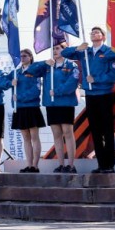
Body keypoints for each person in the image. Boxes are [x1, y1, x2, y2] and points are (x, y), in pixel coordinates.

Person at [62, 27, 115, 173]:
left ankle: (109, 165)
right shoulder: (85, 51)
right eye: (92, 32)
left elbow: (114, 74)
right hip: (90, 95)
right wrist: (77, 48)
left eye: (97, 32)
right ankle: (101, 164)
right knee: (95, 130)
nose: (94, 34)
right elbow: (65, 53)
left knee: (107, 130)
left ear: (103, 36)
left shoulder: (109, 52)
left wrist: (96, 79)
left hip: (104, 94)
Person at [32, 41, 80, 173]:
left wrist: (57, 91)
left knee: (67, 133)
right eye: (53, 49)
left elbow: (72, 83)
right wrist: (44, 63)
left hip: (65, 104)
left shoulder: (71, 65)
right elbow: (31, 70)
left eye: (57, 48)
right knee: (56, 134)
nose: (55, 51)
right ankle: (61, 164)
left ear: (64, 50)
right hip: (51, 104)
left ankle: (71, 165)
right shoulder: (48, 66)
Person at [13, 49, 46, 173]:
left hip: (31, 107)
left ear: (30, 57)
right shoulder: (16, 72)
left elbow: (36, 91)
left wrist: (20, 97)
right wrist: (11, 82)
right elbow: (4, 81)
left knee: (34, 137)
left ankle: (35, 166)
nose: (22, 58)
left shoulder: (34, 71)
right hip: (20, 108)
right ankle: (28, 164)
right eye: (20, 56)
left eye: (25, 56)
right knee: (26, 138)